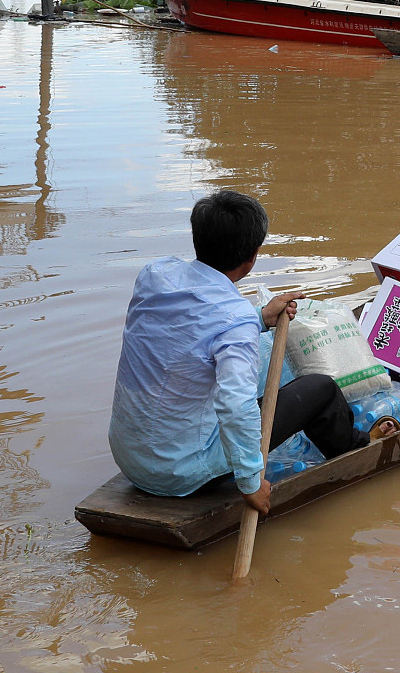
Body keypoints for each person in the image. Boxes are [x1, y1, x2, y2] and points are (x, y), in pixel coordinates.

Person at [108, 190, 359, 515]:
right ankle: (360, 448)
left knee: (252, 369)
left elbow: (190, 329)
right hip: (181, 473)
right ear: (252, 256)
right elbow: (234, 405)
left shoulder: (155, 275)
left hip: (129, 456)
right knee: (320, 388)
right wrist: (251, 482)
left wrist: (260, 318)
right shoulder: (233, 317)